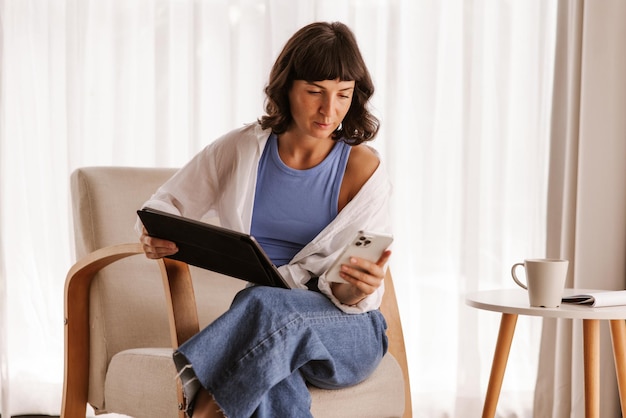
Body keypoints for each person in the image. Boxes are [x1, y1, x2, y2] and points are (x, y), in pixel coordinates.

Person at [138, 21, 393, 418]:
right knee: (271, 368)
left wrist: (357, 289)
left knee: (260, 303)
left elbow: (345, 294)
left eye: (343, 95)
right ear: (287, 87)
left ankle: (203, 407)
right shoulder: (243, 148)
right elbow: (165, 204)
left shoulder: (364, 170)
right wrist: (154, 234)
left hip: (348, 331)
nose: (330, 110)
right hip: (268, 331)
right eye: (314, 92)